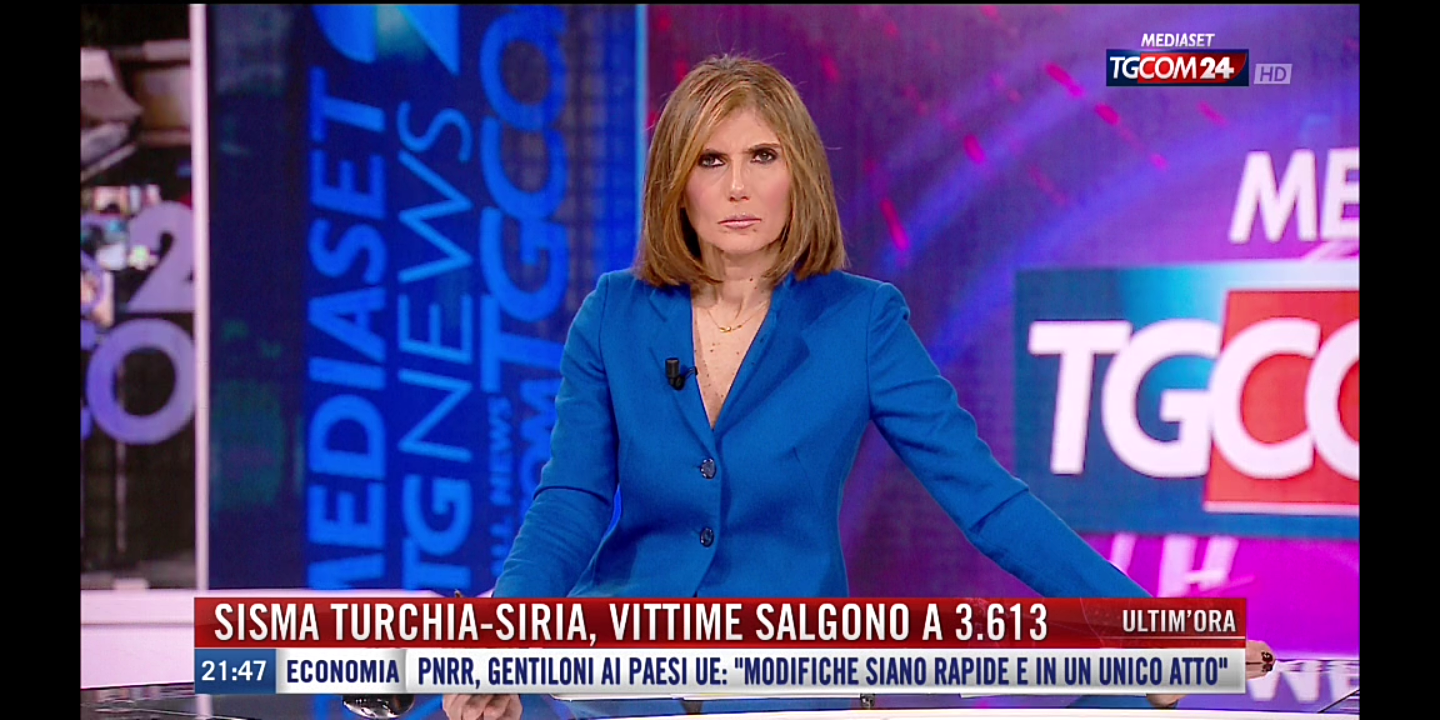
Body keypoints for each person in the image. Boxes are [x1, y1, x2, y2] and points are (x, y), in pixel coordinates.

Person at [444, 55, 1273, 720]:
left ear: (798, 172)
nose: (738, 188)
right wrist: (502, 645)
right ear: (676, 184)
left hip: (786, 685)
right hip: (622, 684)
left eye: (763, 157)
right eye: (710, 160)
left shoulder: (861, 320)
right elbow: (572, 500)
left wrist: (1157, 632)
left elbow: (985, 499)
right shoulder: (614, 315)